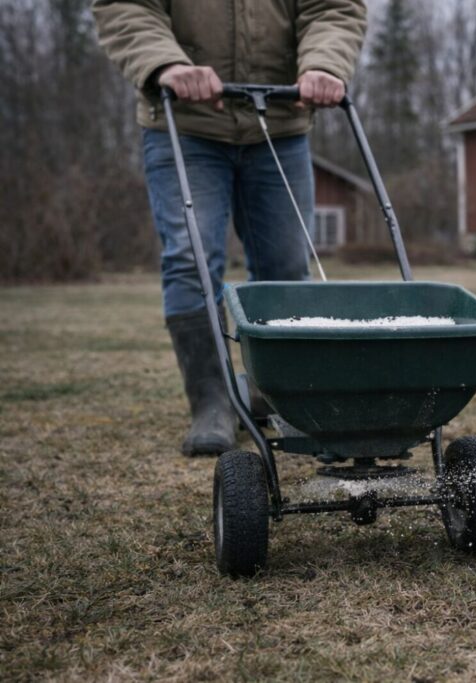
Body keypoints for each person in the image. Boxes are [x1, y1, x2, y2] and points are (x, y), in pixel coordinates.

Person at [93, 0, 368, 456]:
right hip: (185, 120)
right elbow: (126, 6)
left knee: (286, 266)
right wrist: (166, 63)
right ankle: (212, 402)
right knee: (191, 259)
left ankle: (278, 395)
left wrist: (323, 63)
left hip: (279, 119)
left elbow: (333, 7)